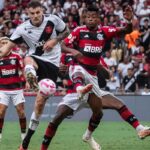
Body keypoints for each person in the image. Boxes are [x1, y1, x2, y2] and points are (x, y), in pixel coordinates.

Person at [41, 5, 150, 150]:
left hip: (92, 83)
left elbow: (126, 30)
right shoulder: (79, 32)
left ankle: (139, 129)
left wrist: (128, 21)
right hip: (75, 88)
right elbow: (63, 46)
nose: (91, 19)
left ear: (99, 19)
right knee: (56, 119)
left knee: (113, 107)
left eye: (94, 17)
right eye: (88, 17)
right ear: (84, 18)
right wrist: (74, 53)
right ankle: (43, 148)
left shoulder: (103, 32)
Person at [0, 1, 69, 150]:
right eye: (32, 13)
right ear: (28, 13)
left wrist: (55, 40)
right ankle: (31, 78)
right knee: (28, 59)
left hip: (53, 65)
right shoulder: (22, 29)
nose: (36, 16)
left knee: (39, 104)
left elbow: (67, 32)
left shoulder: (53, 19)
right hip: (36, 59)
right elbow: (5, 50)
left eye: (38, 12)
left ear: (41, 11)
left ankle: (26, 141)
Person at [0, 37, 26, 142]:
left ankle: (23, 133)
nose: (5, 45)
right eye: (3, 43)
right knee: (1, 112)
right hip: (2, 89)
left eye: (7, 43)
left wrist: (27, 81)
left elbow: (23, 70)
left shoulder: (17, 56)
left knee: (21, 112)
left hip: (17, 89)